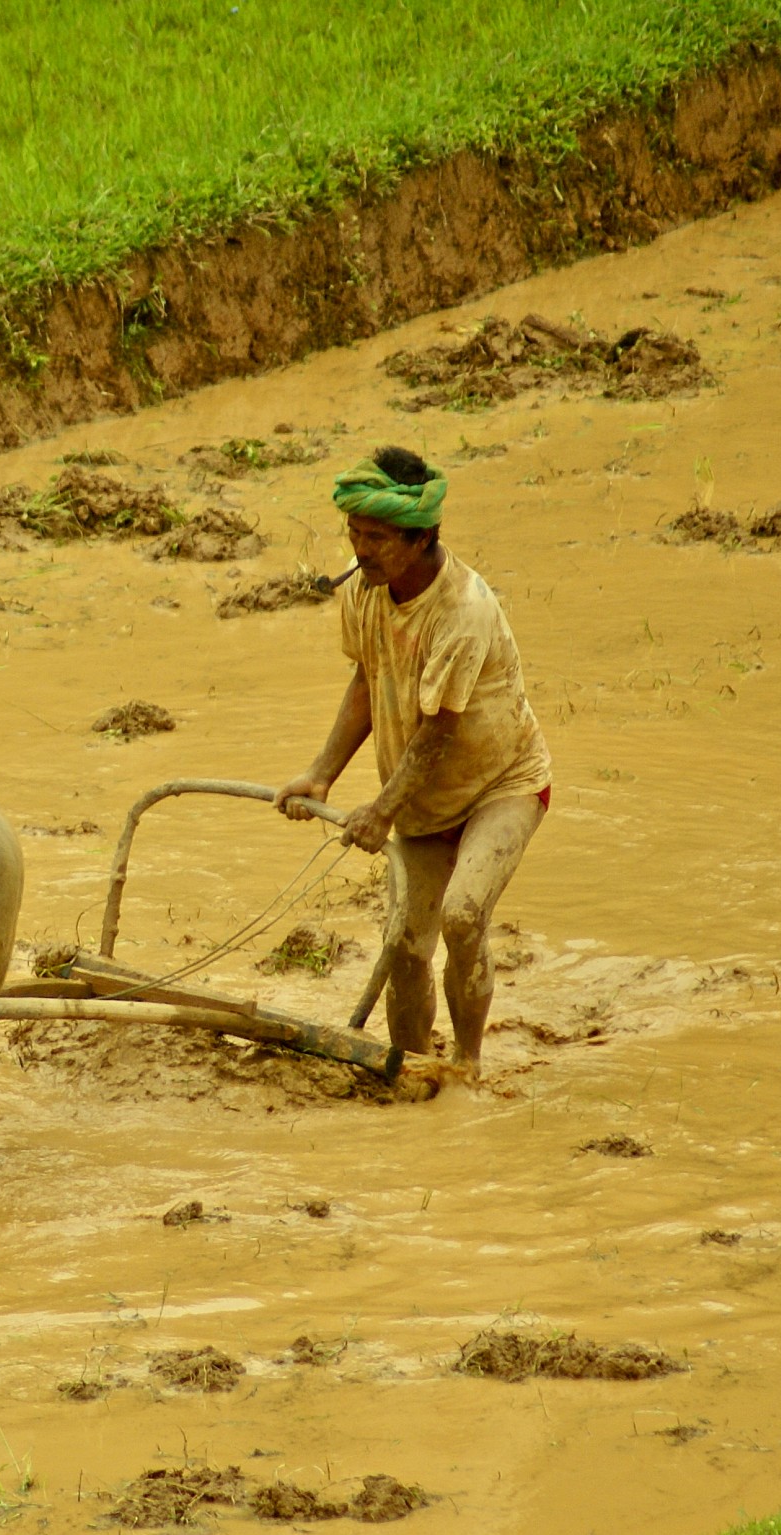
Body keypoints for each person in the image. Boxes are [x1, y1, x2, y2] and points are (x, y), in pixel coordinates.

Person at [272, 447, 551, 1078]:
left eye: (376, 537)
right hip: (423, 796)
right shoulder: (365, 588)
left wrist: (380, 810)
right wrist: (321, 773)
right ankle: (411, 1069)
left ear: (421, 538)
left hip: (500, 785)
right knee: (403, 946)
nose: (362, 549)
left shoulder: (462, 611)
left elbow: (436, 736)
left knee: (460, 916)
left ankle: (469, 1071)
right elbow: (367, 680)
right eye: (354, 534)